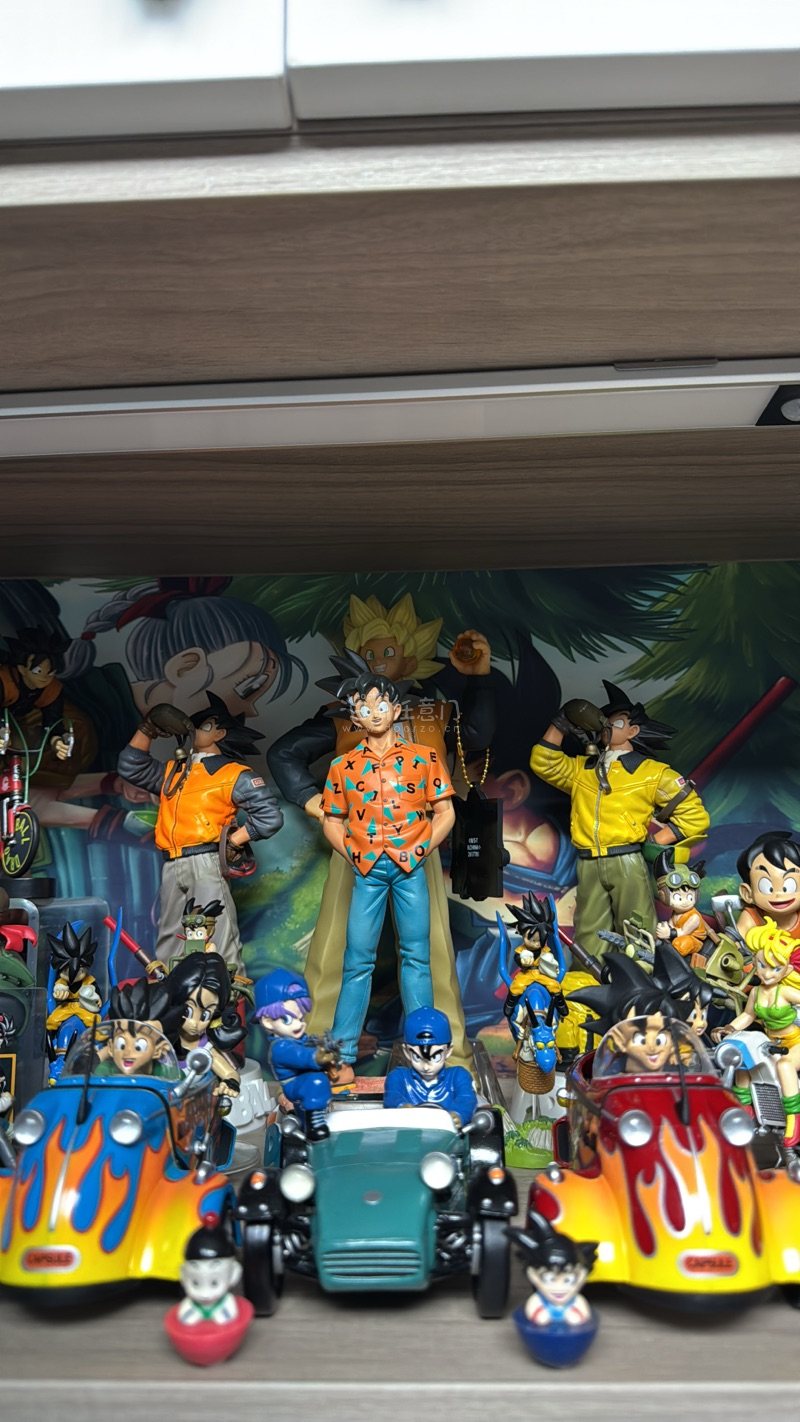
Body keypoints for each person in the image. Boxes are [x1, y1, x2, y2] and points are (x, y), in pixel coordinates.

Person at [267, 593, 495, 1070]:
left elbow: (477, 739)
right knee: (340, 949)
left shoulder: (433, 717)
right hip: (357, 848)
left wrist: (477, 681)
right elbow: (284, 753)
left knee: (429, 950)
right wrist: (321, 810)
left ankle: (442, 1050)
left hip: (416, 847)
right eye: (368, 652)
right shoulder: (341, 729)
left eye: (389, 652)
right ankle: (329, 1048)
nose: (378, 661)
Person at [321, 671, 456, 1081]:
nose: (375, 713)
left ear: (396, 711)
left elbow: (446, 812)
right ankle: (341, 1055)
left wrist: (421, 849)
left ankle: (425, 1049)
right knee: (356, 959)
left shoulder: (423, 758)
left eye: (382, 705)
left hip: (409, 868)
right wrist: (353, 853)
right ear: (355, 717)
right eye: (365, 708)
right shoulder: (343, 766)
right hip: (368, 871)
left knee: (417, 956)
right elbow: (332, 820)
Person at [530, 681, 709, 959]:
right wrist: (561, 722)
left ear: (633, 731)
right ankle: (589, 975)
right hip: (588, 860)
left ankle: (641, 973)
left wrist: (655, 840)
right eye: (604, 721)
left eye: (617, 722)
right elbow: (543, 761)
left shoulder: (651, 772)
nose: (607, 726)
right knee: (589, 926)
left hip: (626, 859)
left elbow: (694, 816)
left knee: (636, 924)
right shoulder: (583, 769)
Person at [117, 693, 283, 971]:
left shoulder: (233, 774)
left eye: (205, 726)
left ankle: (229, 993)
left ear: (221, 733)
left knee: (218, 933)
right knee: (170, 935)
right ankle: (170, 990)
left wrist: (233, 841)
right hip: (172, 863)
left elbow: (270, 816)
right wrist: (147, 729)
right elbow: (130, 764)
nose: (196, 730)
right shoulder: (174, 771)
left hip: (206, 860)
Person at [715, 918, 800, 1148]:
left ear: (787, 970)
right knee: (744, 1061)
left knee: (785, 1067)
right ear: (754, 961)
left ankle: (794, 1118)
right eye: (762, 965)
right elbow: (747, 1016)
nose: (767, 974)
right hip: (769, 1042)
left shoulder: (786, 992)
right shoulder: (756, 993)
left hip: (795, 1042)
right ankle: (744, 1109)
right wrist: (729, 1028)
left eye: (776, 968)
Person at [251, 968, 340, 1139]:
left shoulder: (298, 1039)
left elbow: (308, 1045)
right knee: (316, 1081)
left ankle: (309, 1118)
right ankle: (315, 1125)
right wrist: (317, 1057)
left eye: (301, 1018)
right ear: (268, 1022)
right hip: (293, 1084)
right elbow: (299, 1056)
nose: (299, 1025)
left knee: (316, 1084)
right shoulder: (280, 1047)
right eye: (287, 1019)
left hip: (302, 1081)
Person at [383, 1007, 477, 1125]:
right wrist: (402, 1108)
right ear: (406, 1052)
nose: (426, 1067)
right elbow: (393, 1096)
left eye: (435, 1057)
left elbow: (466, 1099)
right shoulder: (399, 1077)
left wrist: (457, 1115)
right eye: (417, 1058)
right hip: (409, 1132)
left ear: (448, 1051)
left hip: (448, 1133)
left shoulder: (458, 1076)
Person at [654, 846, 719, 962]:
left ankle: (673, 960)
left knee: (680, 944)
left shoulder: (694, 917)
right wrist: (665, 929)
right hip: (679, 936)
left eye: (690, 897)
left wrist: (669, 932)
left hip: (694, 940)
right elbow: (672, 925)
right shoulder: (675, 913)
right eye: (678, 897)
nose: (685, 901)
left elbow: (684, 931)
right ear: (664, 895)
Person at [736, 831, 800, 939]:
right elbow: (735, 942)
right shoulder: (752, 918)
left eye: (789, 887)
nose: (779, 895)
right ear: (747, 893)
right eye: (767, 887)